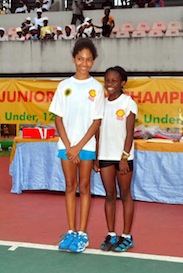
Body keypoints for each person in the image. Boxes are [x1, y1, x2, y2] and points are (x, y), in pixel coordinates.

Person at [48, 38, 104, 253]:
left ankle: (82, 234)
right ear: (73, 59)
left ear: (93, 61)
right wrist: (69, 146)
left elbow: (96, 121)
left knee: (85, 187)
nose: (84, 63)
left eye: (89, 59)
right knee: (70, 187)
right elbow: (58, 118)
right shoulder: (64, 86)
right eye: (80, 58)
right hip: (66, 146)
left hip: (86, 146)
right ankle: (71, 231)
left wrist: (78, 147)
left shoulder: (96, 88)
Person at [94, 66, 138, 252]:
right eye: (107, 80)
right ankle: (111, 234)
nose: (110, 84)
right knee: (110, 195)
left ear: (122, 83)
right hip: (105, 156)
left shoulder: (128, 103)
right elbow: (97, 132)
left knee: (125, 194)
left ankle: (126, 236)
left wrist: (124, 156)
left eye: (114, 80)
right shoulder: (101, 104)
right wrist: (97, 157)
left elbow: (129, 133)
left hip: (122, 158)